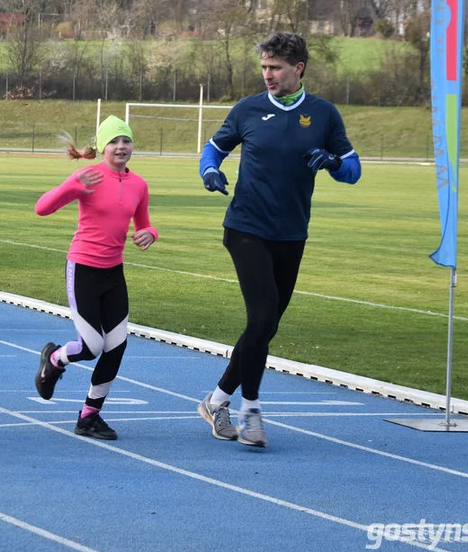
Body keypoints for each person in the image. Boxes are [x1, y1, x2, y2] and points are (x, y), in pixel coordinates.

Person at [197, 32, 361, 449]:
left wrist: (333, 162)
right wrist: (210, 173)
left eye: (275, 68)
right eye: (264, 68)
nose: (267, 75)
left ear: (298, 68)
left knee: (266, 325)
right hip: (246, 228)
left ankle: (217, 400)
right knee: (261, 318)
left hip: (291, 234)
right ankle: (250, 411)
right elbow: (213, 150)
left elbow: (353, 170)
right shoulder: (248, 109)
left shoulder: (323, 114)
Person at [33, 116, 158, 441]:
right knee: (92, 346)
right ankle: (55, 358)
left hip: (113, 273)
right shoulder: (87, 176)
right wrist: (71, 186)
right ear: (103, 147)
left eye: (126, 141)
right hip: (84, 269)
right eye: (114, 142)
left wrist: (150, 234)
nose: (121, 147)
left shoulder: (139, 185)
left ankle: (89, 416)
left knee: (115, 346)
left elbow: (143, 224)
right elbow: (41, 208)